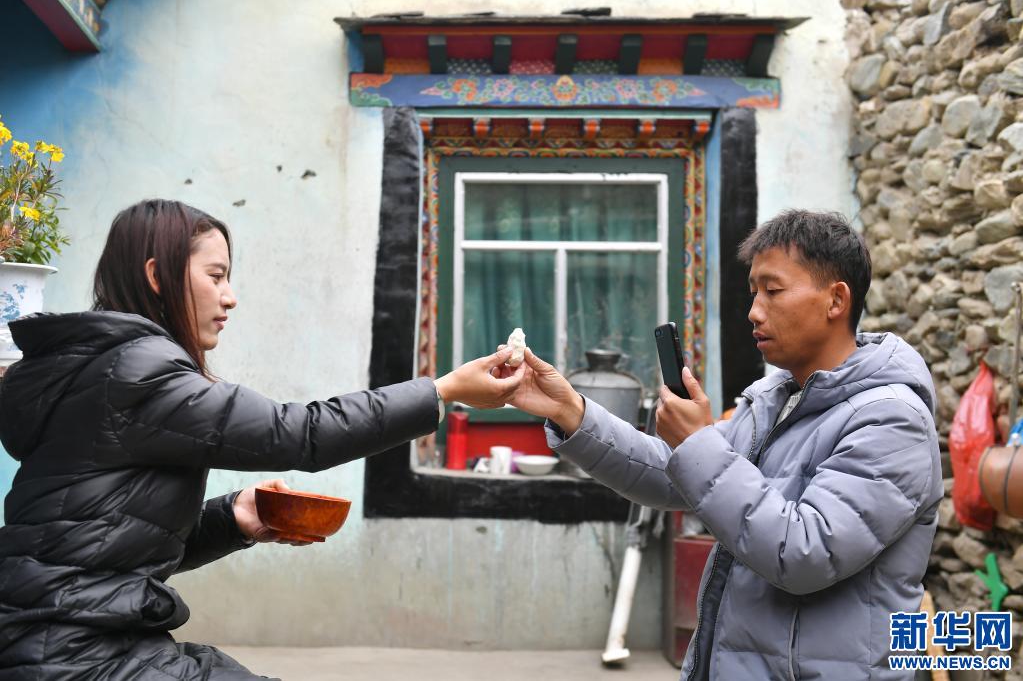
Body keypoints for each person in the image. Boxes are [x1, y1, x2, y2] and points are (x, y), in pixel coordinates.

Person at [0, 199, 523, 680]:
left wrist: (233, 518)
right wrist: (443, 391)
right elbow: (300, 433)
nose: (230, 297)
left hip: (60, 642)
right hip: (75, 655)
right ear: (157, 277)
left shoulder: (100, 369)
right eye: (215, 276)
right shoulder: (139, 372)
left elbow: (105, 549)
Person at [504, 210, 943, 680]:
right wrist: (570, 411)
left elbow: (804, 553)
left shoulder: (892, 420)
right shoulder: (775, 399)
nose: (754, 311)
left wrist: (698, 443)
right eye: (753, 292)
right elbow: (674, 475)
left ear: (836, 299)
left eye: (773, 291)